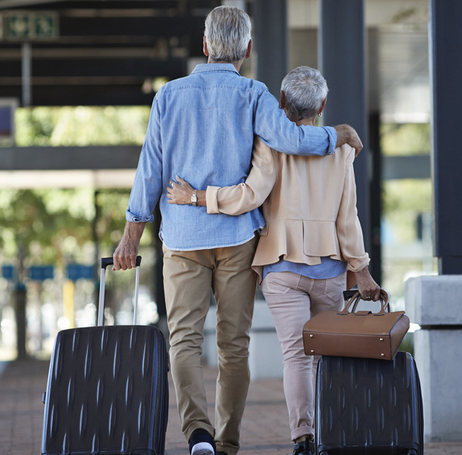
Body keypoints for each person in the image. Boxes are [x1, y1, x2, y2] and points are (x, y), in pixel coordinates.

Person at [111, 7, 364, 455]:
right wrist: (336, 135)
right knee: (233, 345)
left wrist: (131, 235)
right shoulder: (254, 93)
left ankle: (199, 435)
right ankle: (227, 443)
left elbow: (149, 169)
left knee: (184, 340)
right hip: (237, 240)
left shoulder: (168, 96)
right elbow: (290, 139)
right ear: (247, 50)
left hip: (184, 239)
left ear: (205, 46)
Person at [167, 66, 381, 455]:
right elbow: (347, 218)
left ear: (280, 102)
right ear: (323, 106)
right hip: (331, 266)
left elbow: (249, 196)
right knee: (323, 357)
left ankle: (303, 437)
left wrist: (199, 197)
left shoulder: (270, 144)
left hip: (282, 266)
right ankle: (326, 433)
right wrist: (360, 269)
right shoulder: (341, 149)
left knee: (296, 355)